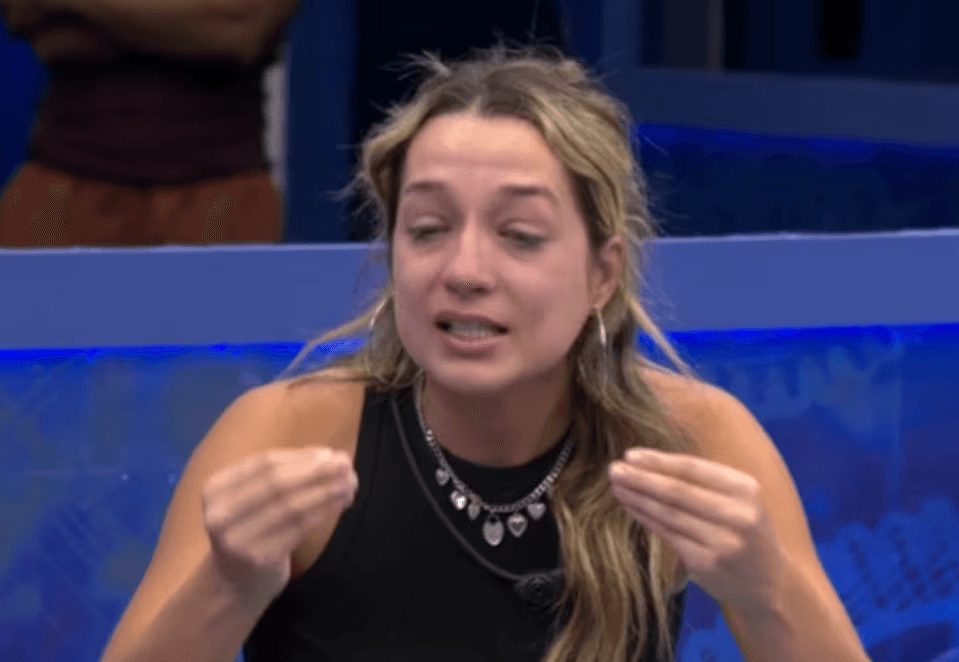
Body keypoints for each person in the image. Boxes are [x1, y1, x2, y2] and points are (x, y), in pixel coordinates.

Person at [96, 45, 870, 662]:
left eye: (519, 236)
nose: (465, 271)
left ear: (602, 273)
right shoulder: (288, 435)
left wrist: (763, 588)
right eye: (428, 229)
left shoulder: (693, 442)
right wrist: (229, 585)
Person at [0, 0, 296, 246]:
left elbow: (240, 28)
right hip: (58, 195)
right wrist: (186, 19)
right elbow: (25, 10)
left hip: (220, 201)